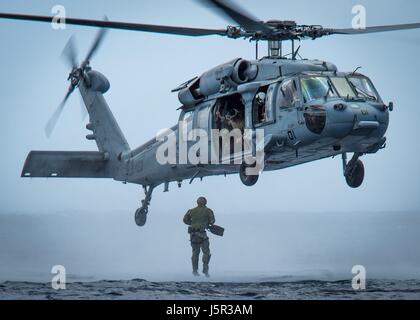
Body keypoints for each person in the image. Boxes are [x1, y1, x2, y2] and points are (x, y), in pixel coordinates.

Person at [183, 197, 216, 277]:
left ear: (197, 202)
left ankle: (195, 271)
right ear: (205, 202)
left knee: (195, 253)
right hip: (202, 235)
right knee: (206, 253)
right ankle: (205, 271)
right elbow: (212, 221)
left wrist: (193, 223)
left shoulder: (191, 211)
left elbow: (185, 220)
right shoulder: (208, 211)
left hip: (193, 234)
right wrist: (206, 223)